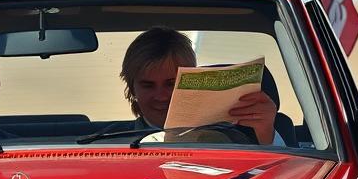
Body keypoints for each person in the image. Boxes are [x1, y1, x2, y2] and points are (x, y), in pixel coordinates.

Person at [119, 28, 279, 145]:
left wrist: (266, 134)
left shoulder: (234, 139)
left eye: (171, 84)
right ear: (133, 90)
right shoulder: (105, 145)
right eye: (148, 85)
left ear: (194, 81)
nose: (160, 96)